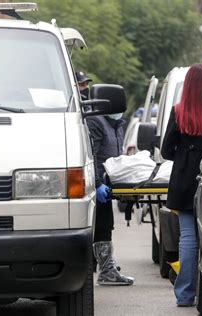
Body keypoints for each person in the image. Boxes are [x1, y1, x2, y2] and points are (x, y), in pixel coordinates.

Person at [161, 64, 202, 306]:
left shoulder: (178, 112)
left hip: (184, 183)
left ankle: (185, 295)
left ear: (187, 87)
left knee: (188, 237)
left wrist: (185, 151)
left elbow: (166, 151)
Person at [86, 103, 135, 286]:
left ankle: (107, 269)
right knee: (102, 226)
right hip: (95, 184)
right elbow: (92, 156)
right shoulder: (95, 122)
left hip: (106, 184)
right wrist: (97, 184)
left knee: (105, 225)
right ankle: (106, 271)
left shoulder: (117, 124)